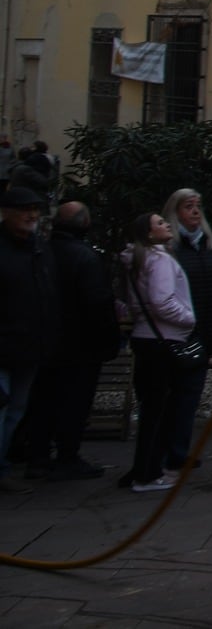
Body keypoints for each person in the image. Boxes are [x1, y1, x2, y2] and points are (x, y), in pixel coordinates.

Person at [21, 201, 121, 481]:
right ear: (85, 225)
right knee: (75, 402)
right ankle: (67, 455)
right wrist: (110, 339)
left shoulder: (41, 251)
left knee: (43, 400)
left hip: (46, 342)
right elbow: (97, 302)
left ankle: (38, 455)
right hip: (80, 343)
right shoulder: (85, 257)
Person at [115, 210, 194, 494]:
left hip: (144, 337)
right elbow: (162, 301)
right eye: (160, 223)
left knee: (151, 407)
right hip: (164, 338)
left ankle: (142, 468)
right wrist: (188, 318)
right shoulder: (159, 260)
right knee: (161, 409)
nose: (166, 225)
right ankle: (149, 473)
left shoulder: (135, 260)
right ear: (149, 234)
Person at [163, 188, 212, 472]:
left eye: (198, 206)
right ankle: (167, 450)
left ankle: (179, 450)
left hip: (205, 327)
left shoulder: (209, 244)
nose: (195, 212)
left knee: (191, 393)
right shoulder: (170, 247)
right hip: (178, 330)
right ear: (175, 211)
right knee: (173, 392)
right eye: (188, 206)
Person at [0, 183, 60, 492]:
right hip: (6, 343)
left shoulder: (38, 247)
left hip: (30, 345)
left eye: (34, 210)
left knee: (16, 410)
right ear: (7, 213)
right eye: (24, 210)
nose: (31, 215)